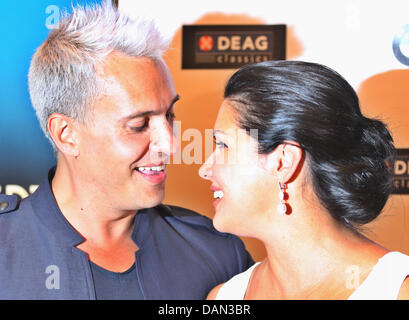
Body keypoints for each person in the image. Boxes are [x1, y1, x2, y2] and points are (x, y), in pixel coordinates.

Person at [0, 3, 253, 299]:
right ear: (66, 134)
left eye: (169, 115)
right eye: (139, 125)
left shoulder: (217, 252)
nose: (170, 144)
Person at [199, 60, 409, 300]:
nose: (204, 169)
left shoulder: (396, 292)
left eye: (224, 145)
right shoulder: (224, 297)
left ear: (283, 162)